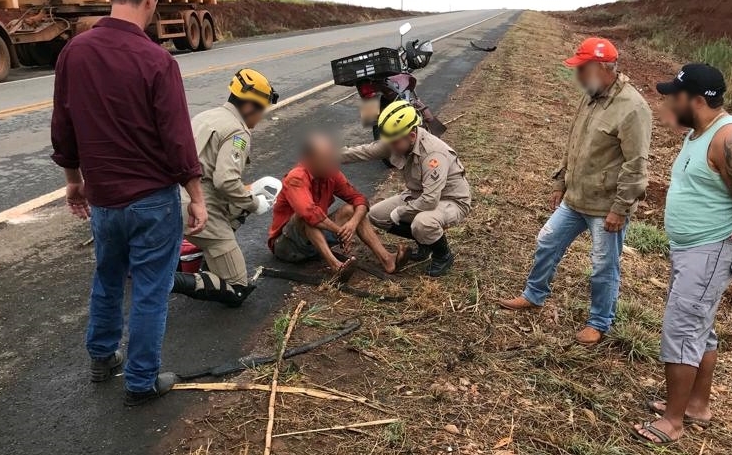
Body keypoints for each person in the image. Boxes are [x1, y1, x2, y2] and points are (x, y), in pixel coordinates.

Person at [50, 0, 207, 406]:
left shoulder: (73, 53)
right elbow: (178, 141)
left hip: (104, 200)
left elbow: (63, 127)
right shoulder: (156, 60)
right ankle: (141, 380)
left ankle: (102, 358)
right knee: (151, 291)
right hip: (151, 201)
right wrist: (196, 196)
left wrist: (73, 180)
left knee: (108, 277)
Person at [498, 37, 652, 345]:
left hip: (606, 208)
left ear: (598, 67)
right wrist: (561, 183)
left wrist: (620, 209)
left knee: (602, 266)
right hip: (576, 197)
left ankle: (599, 322)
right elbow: (574, 144)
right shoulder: (592, 96)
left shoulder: (633, 108)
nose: (577, 75)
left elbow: (636, 166)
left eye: (581, 69)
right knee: (546, 242)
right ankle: (534, 294)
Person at [633, 64, 732, 445]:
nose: (668, 102)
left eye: (674, 96)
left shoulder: (728, 137)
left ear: (697, 100)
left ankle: (673, 422)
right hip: (692, 249)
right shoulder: (699, 132)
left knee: (682, 329)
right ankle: (696, 405)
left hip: (710, 250)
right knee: (700, 330)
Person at [173, 69, 281, 307]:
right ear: (250, 107)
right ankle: (167, 281)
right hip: (199, 207)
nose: (260, 117)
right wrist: (255, 203)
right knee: (237, 290)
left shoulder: (206, 116)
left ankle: (208, 260)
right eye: (261, 111)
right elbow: (226, 181)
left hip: (172, 198)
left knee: (238, 203)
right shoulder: (237, 131)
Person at [341, 100, 471, 277]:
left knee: (422, 222)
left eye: (394, 142)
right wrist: (328, 157)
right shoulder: (396, 140)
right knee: (376, 215)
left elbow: (430, 200)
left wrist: (401, 212)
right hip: (418, 194)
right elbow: (362, 152)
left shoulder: (433, 155)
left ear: (411, 136)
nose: (390, 146)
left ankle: (443, 255)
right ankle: (425, 242)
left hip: (450, 200)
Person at [268, 133, 408, 276]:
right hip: (287, 246)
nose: (331, 163)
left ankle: (387, 259)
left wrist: (352, 224)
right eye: (325, 159)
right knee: (307, 218)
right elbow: (309, 214)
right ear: (309, 160)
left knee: (352, 210)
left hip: (314, 241)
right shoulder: (296, 178)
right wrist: (340, 232)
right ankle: (336, 267)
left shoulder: (330, 173)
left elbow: (360, 199)